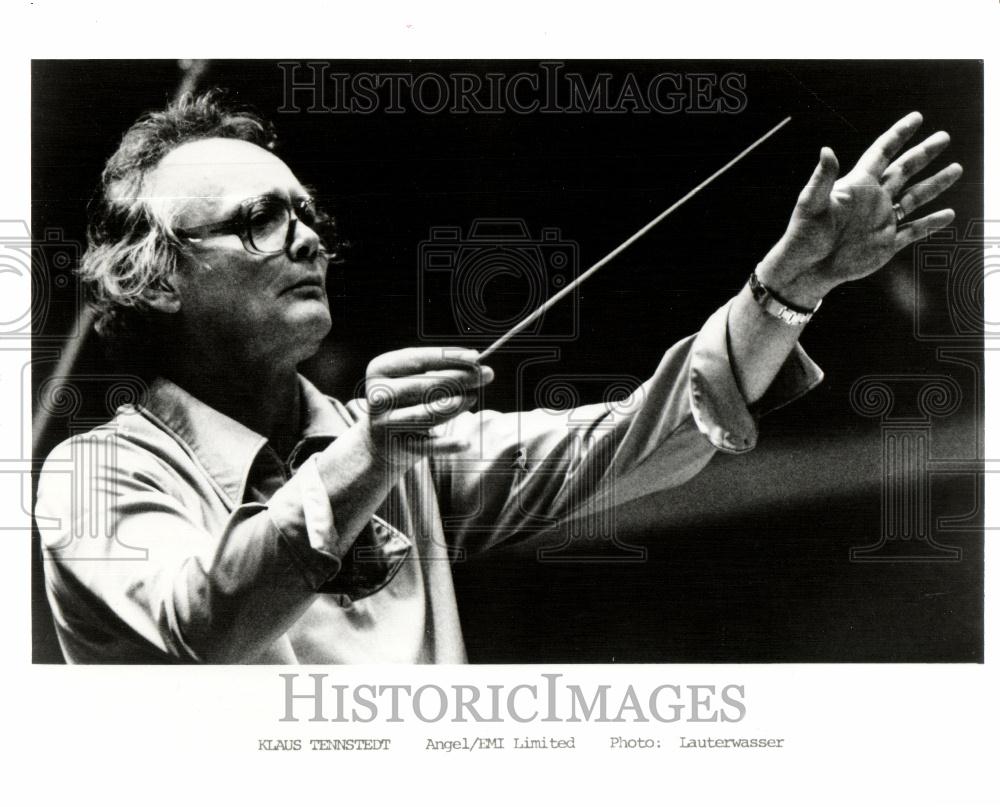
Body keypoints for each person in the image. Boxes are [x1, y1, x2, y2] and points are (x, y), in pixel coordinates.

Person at [35, 91, 961, 664]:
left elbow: (638, 435)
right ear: (152, 277)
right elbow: (203, 624)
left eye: (307, 213)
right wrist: (370, 453)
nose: (308, 236)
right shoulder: (97, 475)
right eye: (259, 219)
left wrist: (786, 290)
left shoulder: (395, 447)